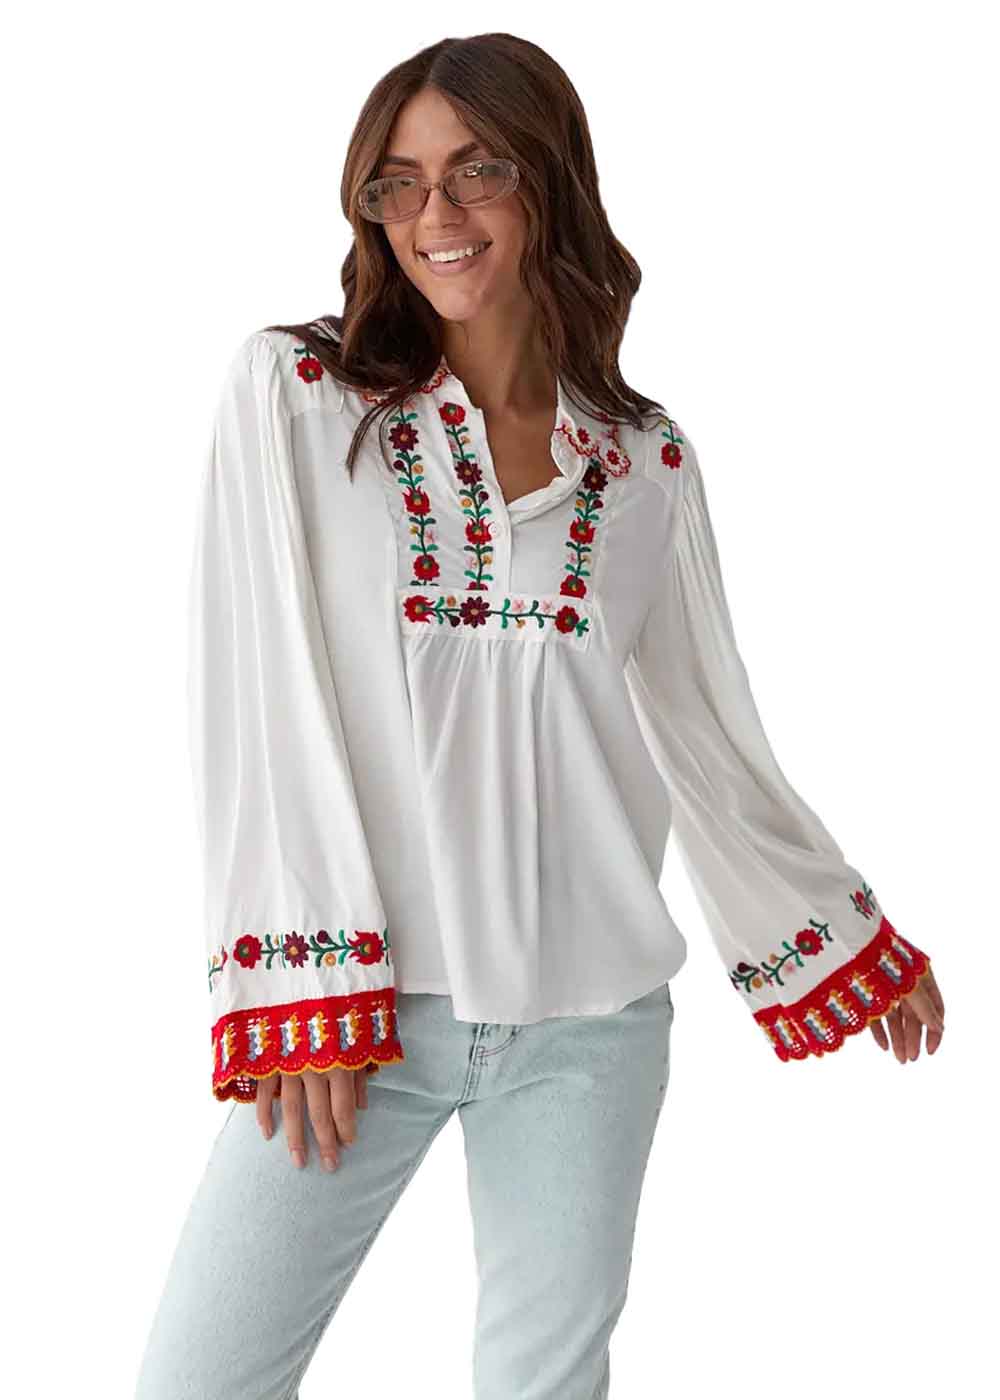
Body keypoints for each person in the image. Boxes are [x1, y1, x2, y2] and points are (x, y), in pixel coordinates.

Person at [134, 32, 944, 1400]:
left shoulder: (643, 459)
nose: (435, 215)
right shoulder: (298, 395)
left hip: (590, 1024)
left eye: (478, 171)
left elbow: (707, 728)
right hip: (363, 1012)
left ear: (549, 180)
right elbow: (253, 692)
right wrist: (299, 976)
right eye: (398, 184)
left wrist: (844, 930)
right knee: (196, 1381)